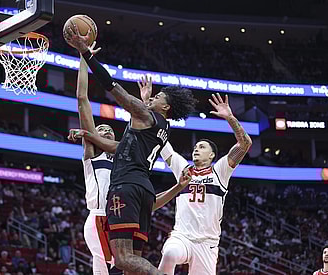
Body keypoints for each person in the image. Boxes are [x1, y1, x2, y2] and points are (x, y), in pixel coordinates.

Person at [65, 22, 196, 273]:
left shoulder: (145, 116)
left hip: (126, 187)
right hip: (144, 192)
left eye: (158, 97)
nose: (153, 97)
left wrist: (85, 52)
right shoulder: (162, 128)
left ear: (166, 107)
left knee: (123, 259)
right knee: (131, 268)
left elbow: (110, 85)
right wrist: (88, 135)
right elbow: (123, 145)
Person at [156, 93, 252, 275]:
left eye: (201, 147)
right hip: (182, 237)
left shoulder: (220, 171)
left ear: (212, 155)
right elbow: (163, 144)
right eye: (195, 147)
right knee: (169, 253)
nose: (196, 150)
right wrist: (151, 114)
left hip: (207, 243)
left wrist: (230, 118)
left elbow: (245, 144)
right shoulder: (183, 169)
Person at [73, 53, 118, 275]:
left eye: (109, 129)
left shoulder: (122, 156)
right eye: (100, 130)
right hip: (99, 216)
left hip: (119, 218)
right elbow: (82, 99)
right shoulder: (92, 154)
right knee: (111, 269)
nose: (106, 130)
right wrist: (84, 58)